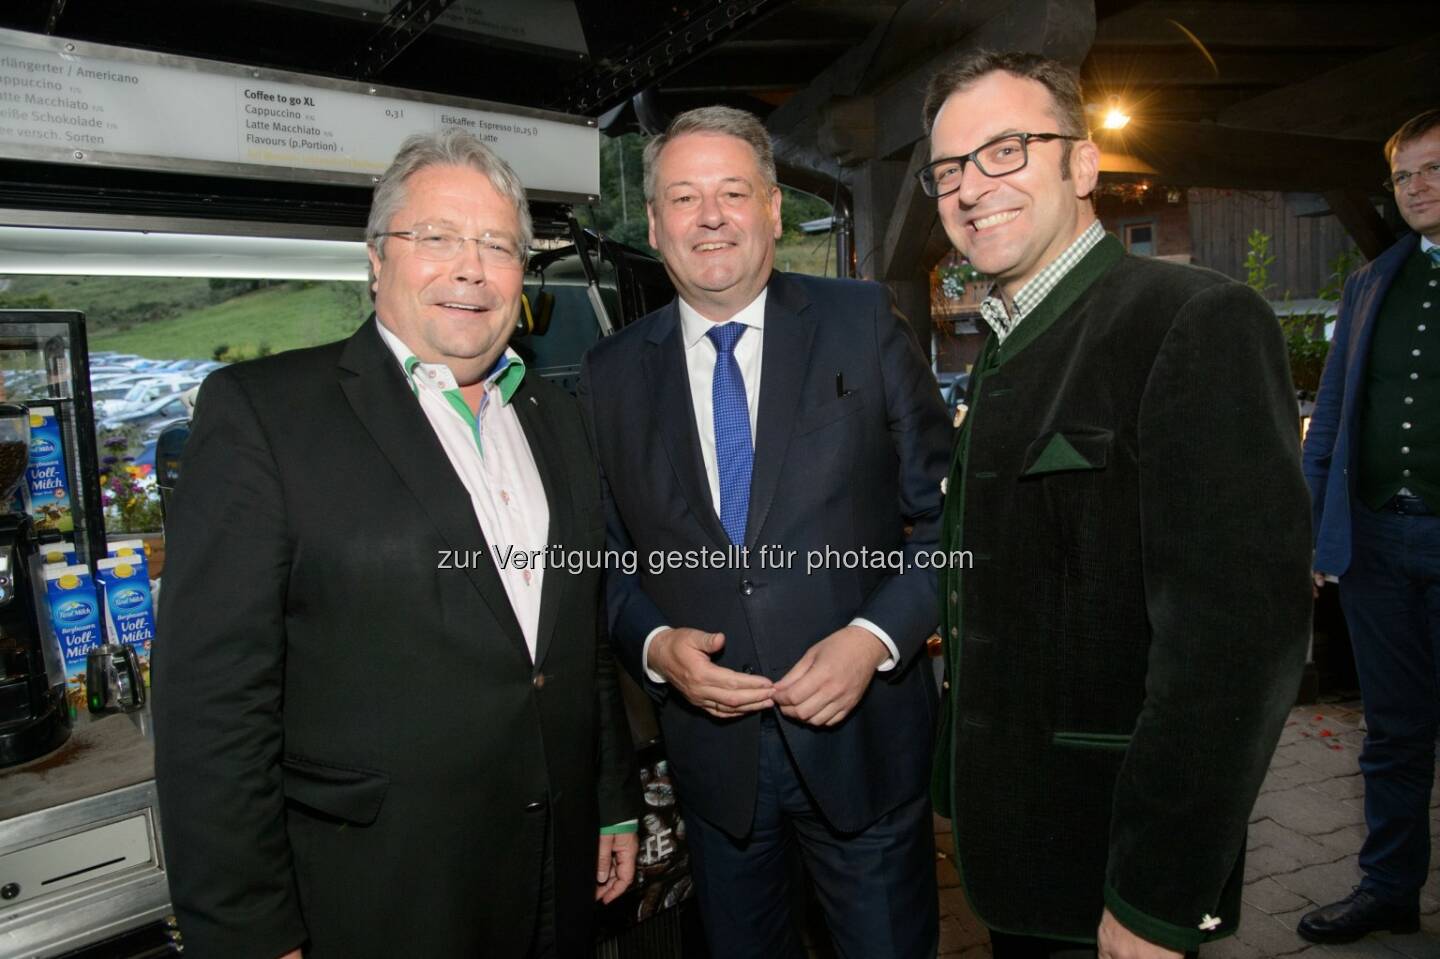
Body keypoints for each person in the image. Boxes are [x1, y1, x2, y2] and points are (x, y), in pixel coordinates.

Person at [153, 129, 640, 959]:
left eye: (497, 244)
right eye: (437, 237)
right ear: (376, 258)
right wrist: (247, 930)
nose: (470, 267)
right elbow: (210, 708)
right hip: (377, 896)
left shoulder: (557, 418)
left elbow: (575, 636)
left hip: (551, 879)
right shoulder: (265, 416)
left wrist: (610, 799)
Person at [923, 51, 1311, 958]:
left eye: (1007, 149)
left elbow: (1235, 650)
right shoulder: (1007, 342)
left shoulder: (1192, 320)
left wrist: (1156, 896)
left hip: (1111, 862)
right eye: (949, 168)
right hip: (1022, 849)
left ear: (1084, 164)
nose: (972, 186)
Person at [579, 106, 950, 959]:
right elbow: (602, 560)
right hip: (717, 775)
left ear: (774, 210)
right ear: (655, 224)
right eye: (683, 197)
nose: (709, 216)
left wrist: (873, 638)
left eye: (732, 192)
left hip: (865, 754)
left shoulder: (862, 321)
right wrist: (656, 643)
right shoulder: (607, 376)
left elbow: (949, 521)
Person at [1298, 108, 1440, 945]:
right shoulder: (1371, 280)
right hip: (1377, 544)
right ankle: (1388, 889)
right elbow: (1334, 421)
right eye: (1405, 176)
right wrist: (1319, 533)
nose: (1418, 188)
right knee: (1391, 733)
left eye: (1434, 169)